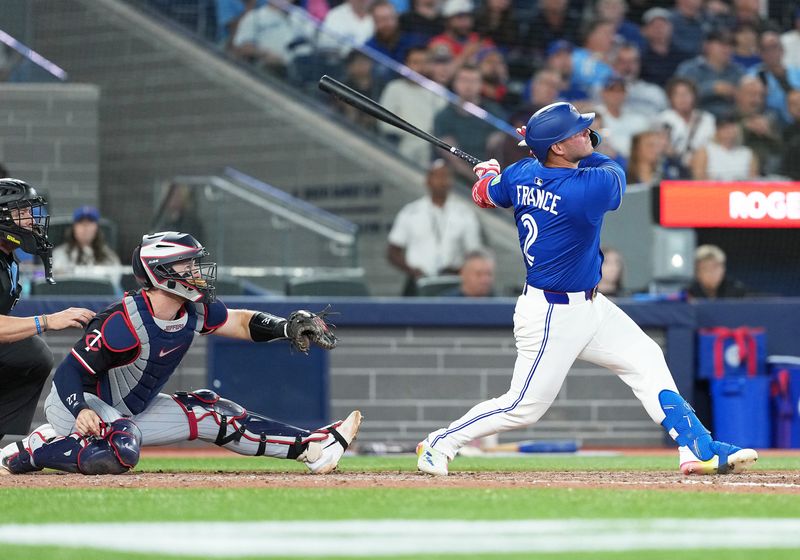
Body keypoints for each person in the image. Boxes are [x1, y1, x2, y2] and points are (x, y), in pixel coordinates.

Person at [416, 101, 758, 476]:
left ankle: (696, 448)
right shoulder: (587, 188)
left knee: (646, 357)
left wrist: (489, 174)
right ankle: (439, 442)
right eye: (575, 131)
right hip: (552, 313)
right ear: (557, 148)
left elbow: (486, 194)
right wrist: (517, 161)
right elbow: (610, 167)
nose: (586, 133)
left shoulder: (521, 173)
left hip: (591, 306)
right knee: (524, 406)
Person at [0, 231, 361, 475]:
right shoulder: (122, 322)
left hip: (130, 411)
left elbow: (238, 321)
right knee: (120, 449)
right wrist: (79, 412)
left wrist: (285, 327)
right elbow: (68, 375)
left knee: (217, 414)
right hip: (75, 406)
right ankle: (34, 449)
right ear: (161, 273)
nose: (196, 271)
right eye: (186, 265)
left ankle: (313, 447)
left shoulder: (196, 307)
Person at [0, 179, 96, 442]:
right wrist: (48, 320)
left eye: (30, 212)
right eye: (21, 213)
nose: (31, 220)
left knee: (32, 355)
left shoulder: (8, 258)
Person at [387, 159, 482, 296]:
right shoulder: (410, 212)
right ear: (427, 180)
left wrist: (459, 270)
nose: (442, 182)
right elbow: (393, 252)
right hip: (417, 282)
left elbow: (474, 253)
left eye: (446, 177)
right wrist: (413, 271)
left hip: (452, 281)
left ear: (452, 181)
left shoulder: (465, 214)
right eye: (437, 176)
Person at [378, 46, 447, 162]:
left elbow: (443, 124)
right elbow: (384, 123)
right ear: (406, 65)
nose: (420, 68)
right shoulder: (394, 87)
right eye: (415, 62)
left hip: (430, 146)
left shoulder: (438, 91)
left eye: (424, 63)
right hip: (400, 142)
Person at [51, 206, 121, 282]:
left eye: (90, 223)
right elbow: (55, 282)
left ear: (96, 228)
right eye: (81, 223)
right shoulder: (59, 254)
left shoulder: (109, 256)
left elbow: (114, 284)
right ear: (74, 227)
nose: (85, 227)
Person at [690, 113, 758, 181]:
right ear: (717, 130)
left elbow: (753, 181)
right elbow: (698, 179)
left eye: (732, 127)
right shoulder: (705, 151)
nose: (728, 131)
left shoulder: (747, 153)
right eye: (724, 128)